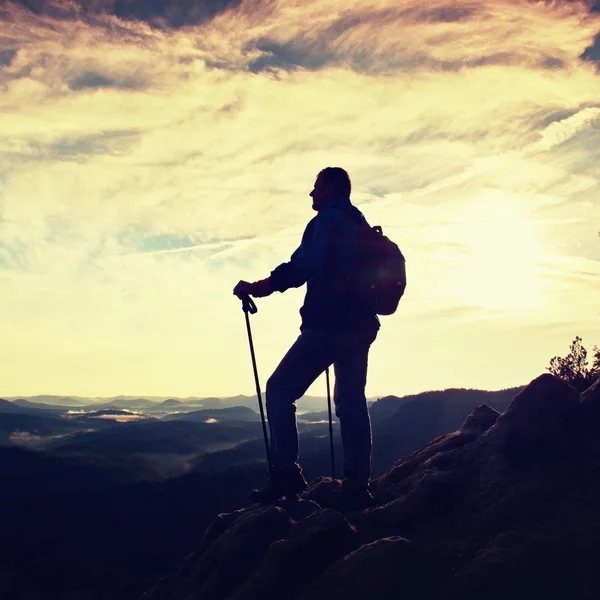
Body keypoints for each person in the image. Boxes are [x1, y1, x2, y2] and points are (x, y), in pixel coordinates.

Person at [233, 167, 380, 511]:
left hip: (329, 324)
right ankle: (358, 486)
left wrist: (257, 288)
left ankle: (286, 473)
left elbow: (303, 267)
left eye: (315, 187)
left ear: (329, 188)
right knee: (351, 403)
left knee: (280, 390)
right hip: (361, 325)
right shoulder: (359, 222)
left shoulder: (327, 221)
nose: (311, 194)